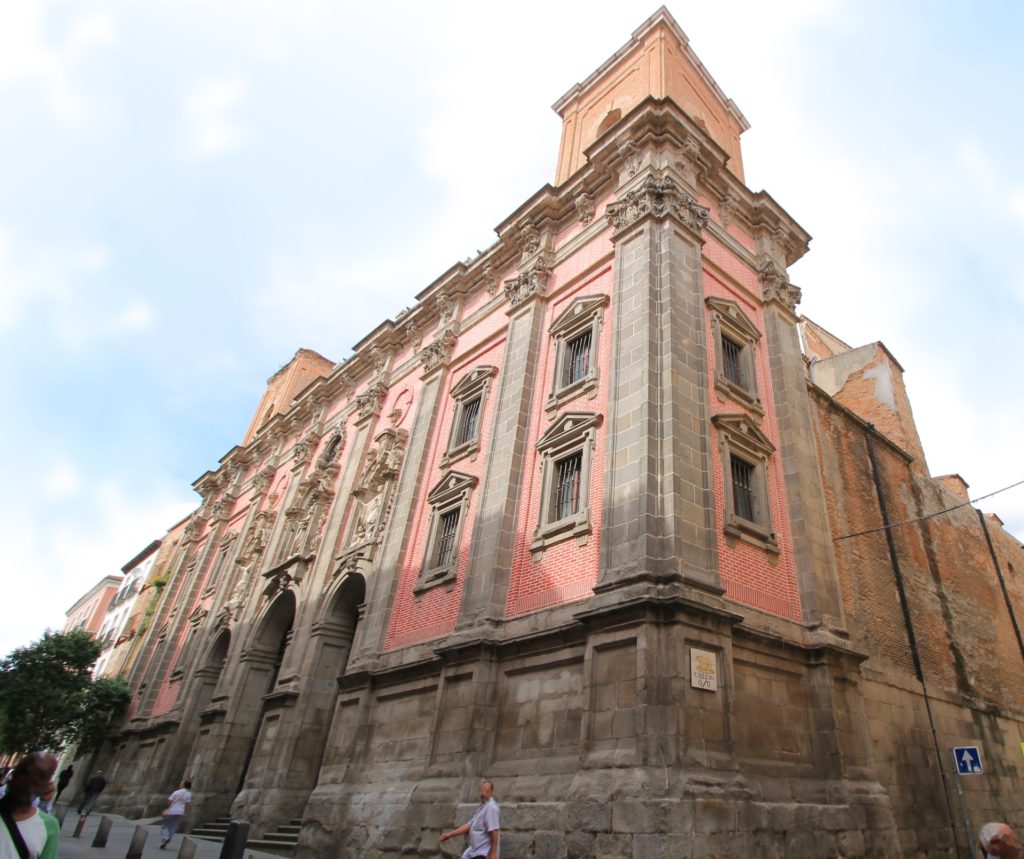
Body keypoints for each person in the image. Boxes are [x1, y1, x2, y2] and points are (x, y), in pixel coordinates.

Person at [0, 752, 59, 859]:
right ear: (14, 775)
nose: (30, 780)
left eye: (41, 776)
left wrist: (45, 803)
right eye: (25, 772)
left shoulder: (49, 826)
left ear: (47, 784)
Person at [438, 780, 499, 859]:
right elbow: (470, 824)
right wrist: (450, 834)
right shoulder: (482, 807)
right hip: (474, 851)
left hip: (483, 852)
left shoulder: (491, 808)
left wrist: (493, 853)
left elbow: (494, 830)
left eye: (487, 791)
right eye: (483, 790)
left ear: (491, 792)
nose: (484, 794)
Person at [159, 780, 192, 849]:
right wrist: (185, 814)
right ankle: (167, 839)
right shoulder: (189, 794)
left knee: (165, 825)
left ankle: (165, 837)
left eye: (181, 784)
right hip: (180, 812)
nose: (180, 784)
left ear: (183, 785)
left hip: (172, 811)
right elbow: (187, 805)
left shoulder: (176, 792)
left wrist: (167, 809)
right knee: (173, 827)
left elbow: (169, 802)